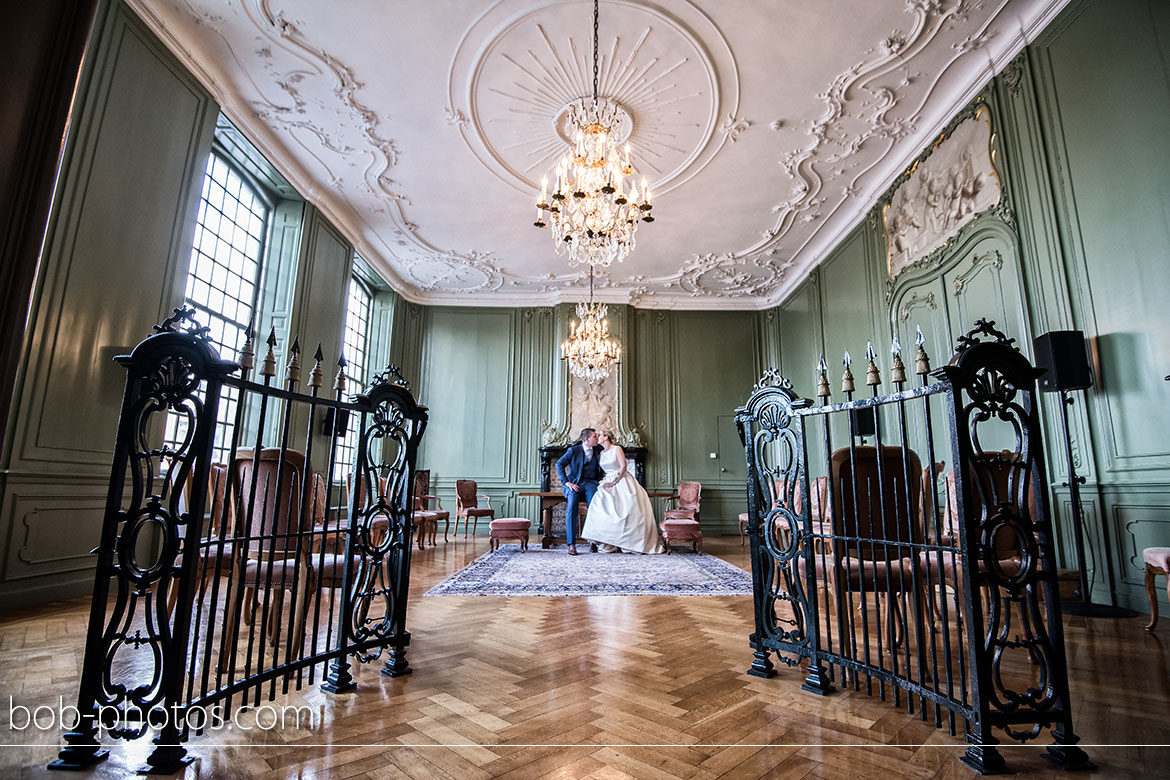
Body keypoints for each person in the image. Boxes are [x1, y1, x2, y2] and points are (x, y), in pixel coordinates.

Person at [581, 431, 664, 554]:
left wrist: (614, 482)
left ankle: (622, 543)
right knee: (601, 507)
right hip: (608, 481)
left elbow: (623, 467)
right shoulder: (601, 453)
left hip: (622, 481)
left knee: (625, 509)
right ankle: (609, 540)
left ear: (606, 437)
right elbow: (604, 471)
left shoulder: (617, 449)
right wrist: (606, 482)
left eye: (600, 435)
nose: (597, 437)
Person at [555, 427, 601, 555]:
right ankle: (571, 544)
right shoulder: (573, 451)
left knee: (595, 507)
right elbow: (559, 464)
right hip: (574, 483)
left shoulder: (598, 450)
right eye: (595, 436)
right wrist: (566, 482)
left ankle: (593, 542)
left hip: (591, 483)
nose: (597, 438)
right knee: (572, 504)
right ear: (587, 439)